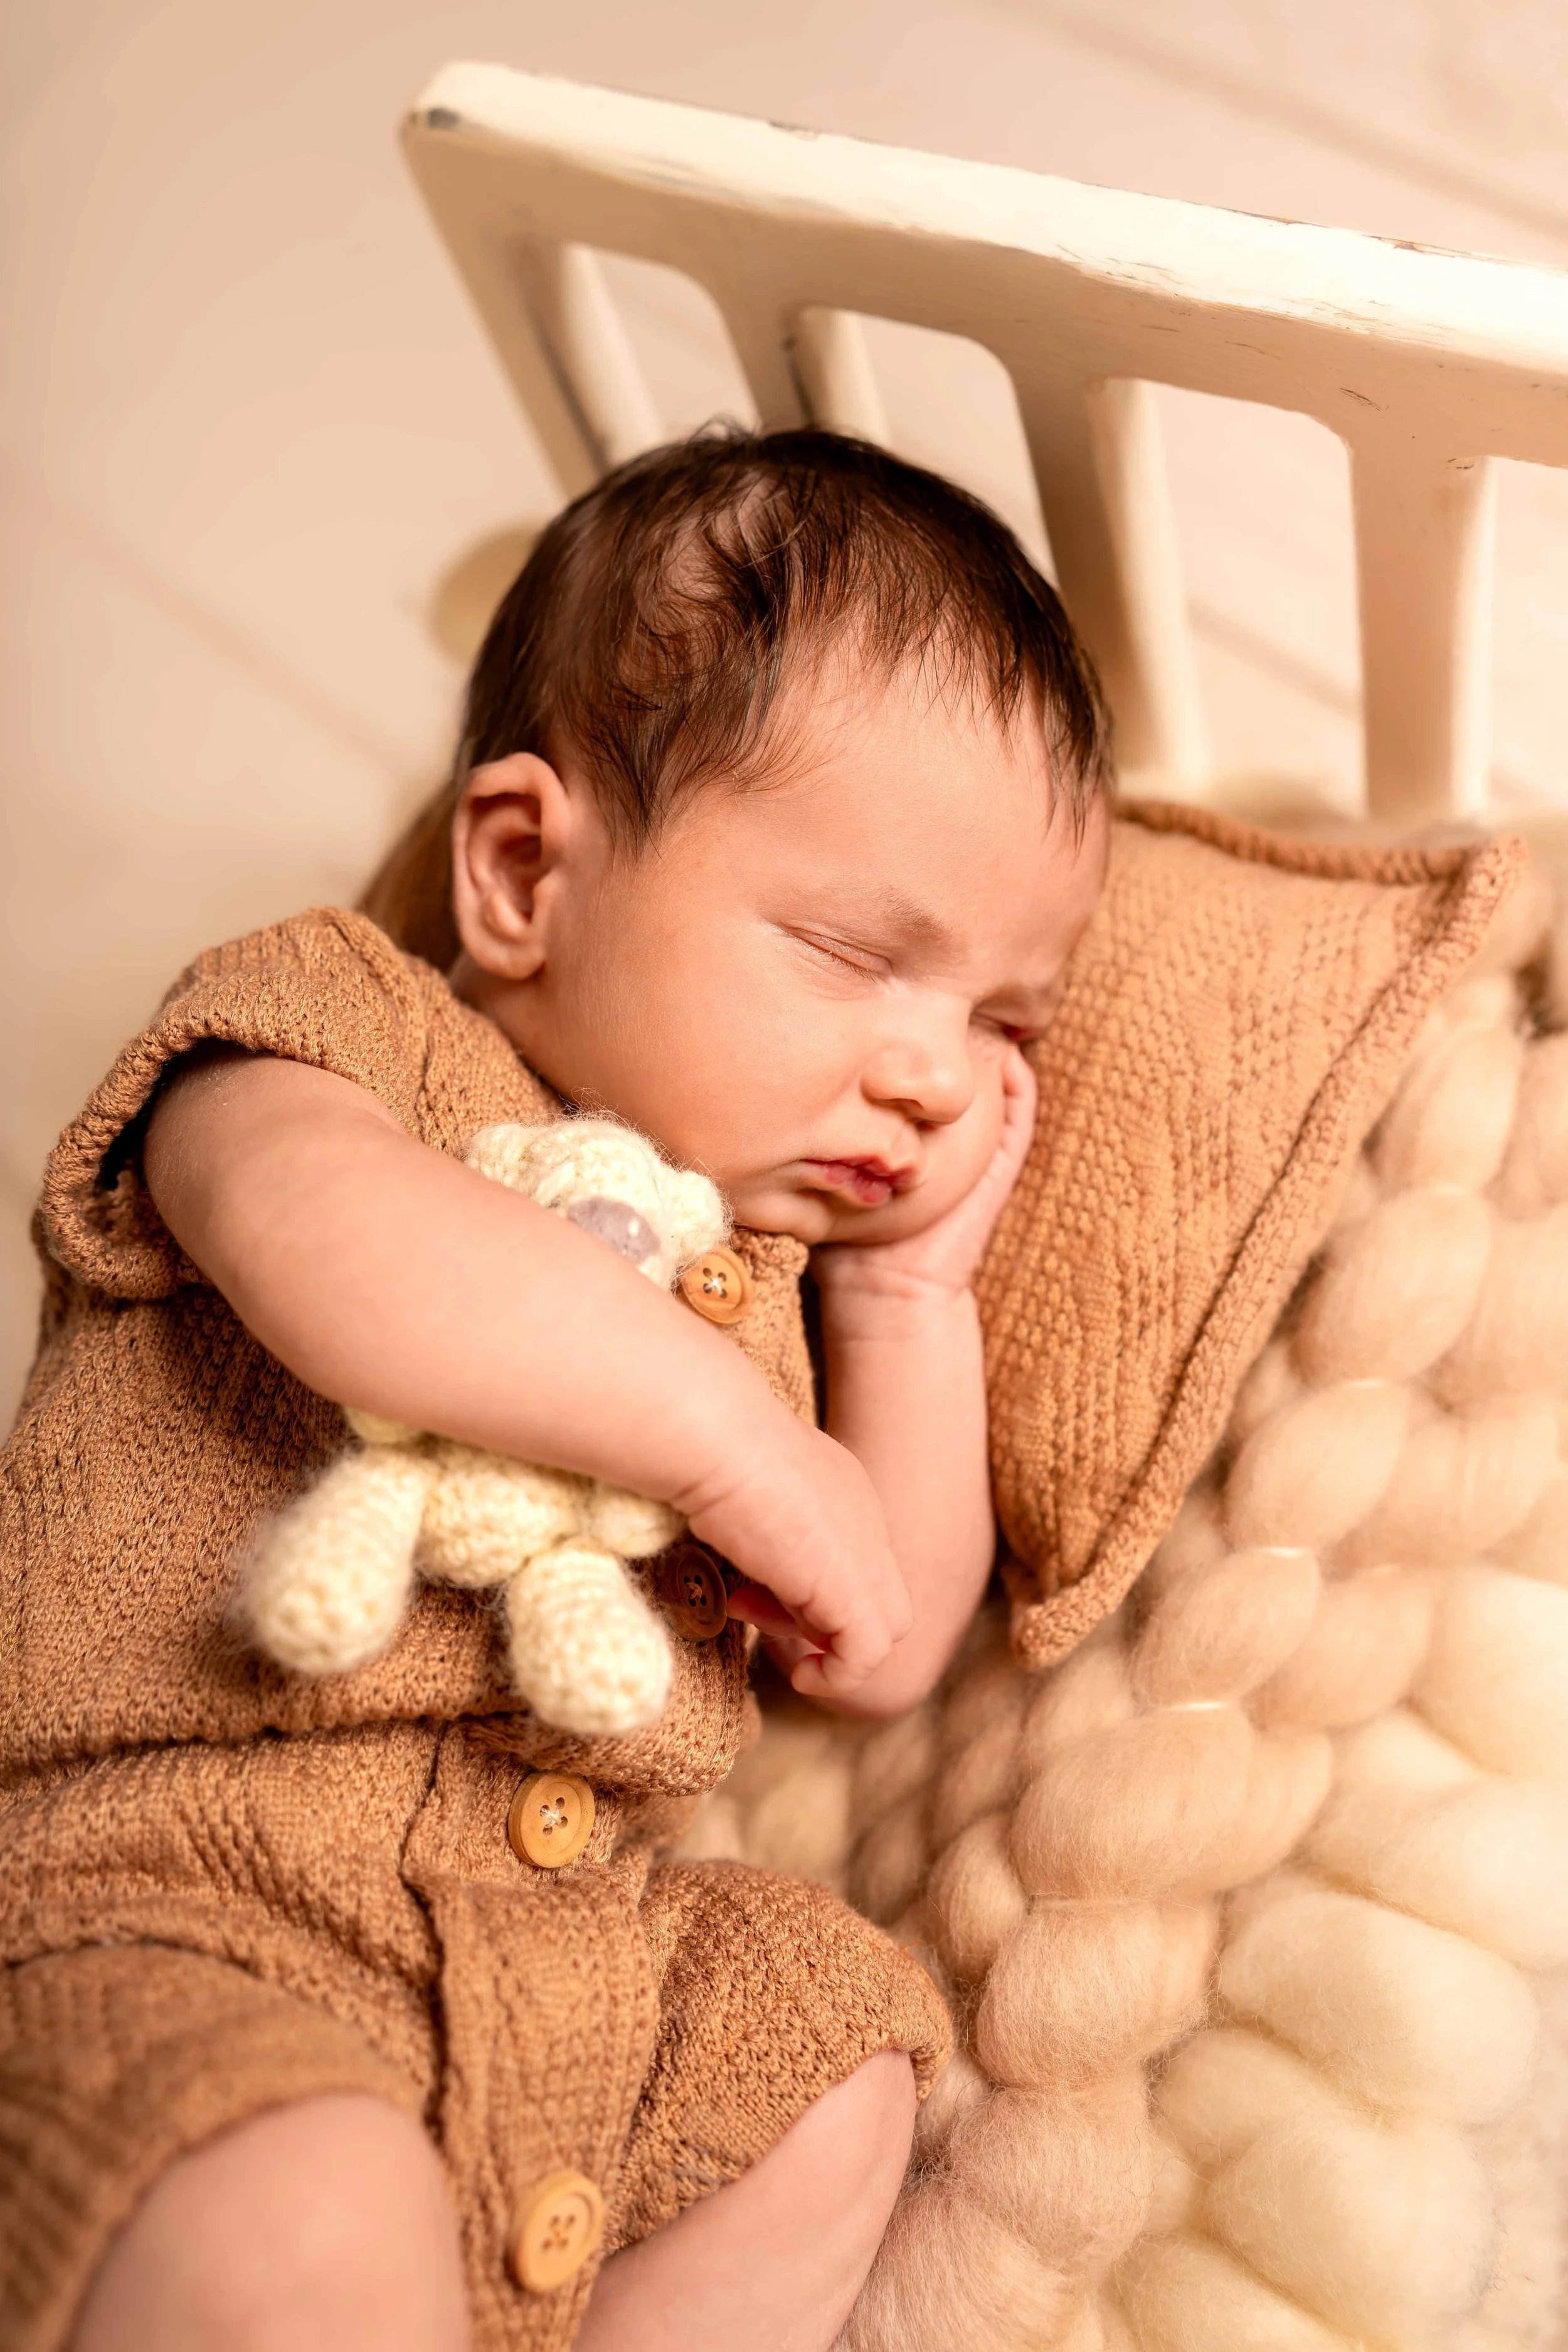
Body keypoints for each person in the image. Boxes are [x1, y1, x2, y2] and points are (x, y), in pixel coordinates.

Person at [0, 428, 1111, 2352]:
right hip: (172, 1894)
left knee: (825, 2055)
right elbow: (329, 1249)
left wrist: (912, 1300)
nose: (936, 1071)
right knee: (297, 2215)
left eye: (999, 1021)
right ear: (522, 871)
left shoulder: (762, 1281)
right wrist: (736, 1442)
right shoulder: (330, 1028)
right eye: (859, 954)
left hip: (571, 1969)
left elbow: (877, 1634)